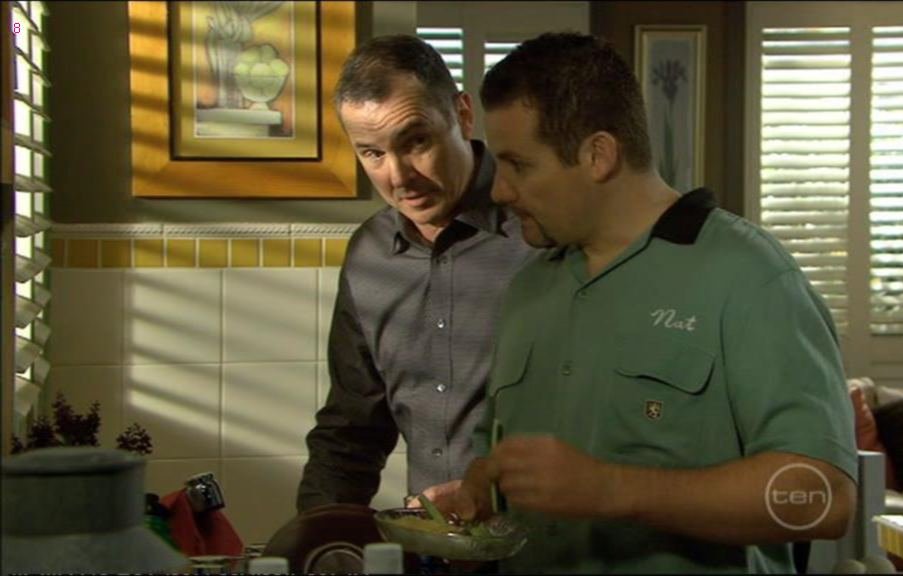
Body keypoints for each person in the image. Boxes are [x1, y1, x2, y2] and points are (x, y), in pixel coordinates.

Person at [437, 32, 858, 573]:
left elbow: (823, 498)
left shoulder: (749, 278)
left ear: (598, 155)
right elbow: (495, 451)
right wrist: (483, 487)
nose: (499, 191)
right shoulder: (528, 288)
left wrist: (613, 488)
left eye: (519, 165)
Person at [297, 35, 534, 512]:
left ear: (463, 115)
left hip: (542, 537)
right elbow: (350, 432)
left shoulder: (540, 228)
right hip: (433, 541)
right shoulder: (370, 255)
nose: (398, 176)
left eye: (416, 142)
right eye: (372, 153)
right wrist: (316, 537)